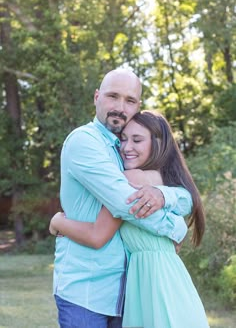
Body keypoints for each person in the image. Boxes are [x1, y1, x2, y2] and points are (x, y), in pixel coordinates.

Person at [52, 69, 193, 328]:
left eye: (129, 100)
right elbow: (125, 204)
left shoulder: (129, 150)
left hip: (128, 291)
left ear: (138, 106)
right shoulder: (85, 142)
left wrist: (163, 193)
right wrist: (177, 227)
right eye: (112, 96)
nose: (119, 107)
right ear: (96, 97)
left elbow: (185, 195)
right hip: (86, 291)